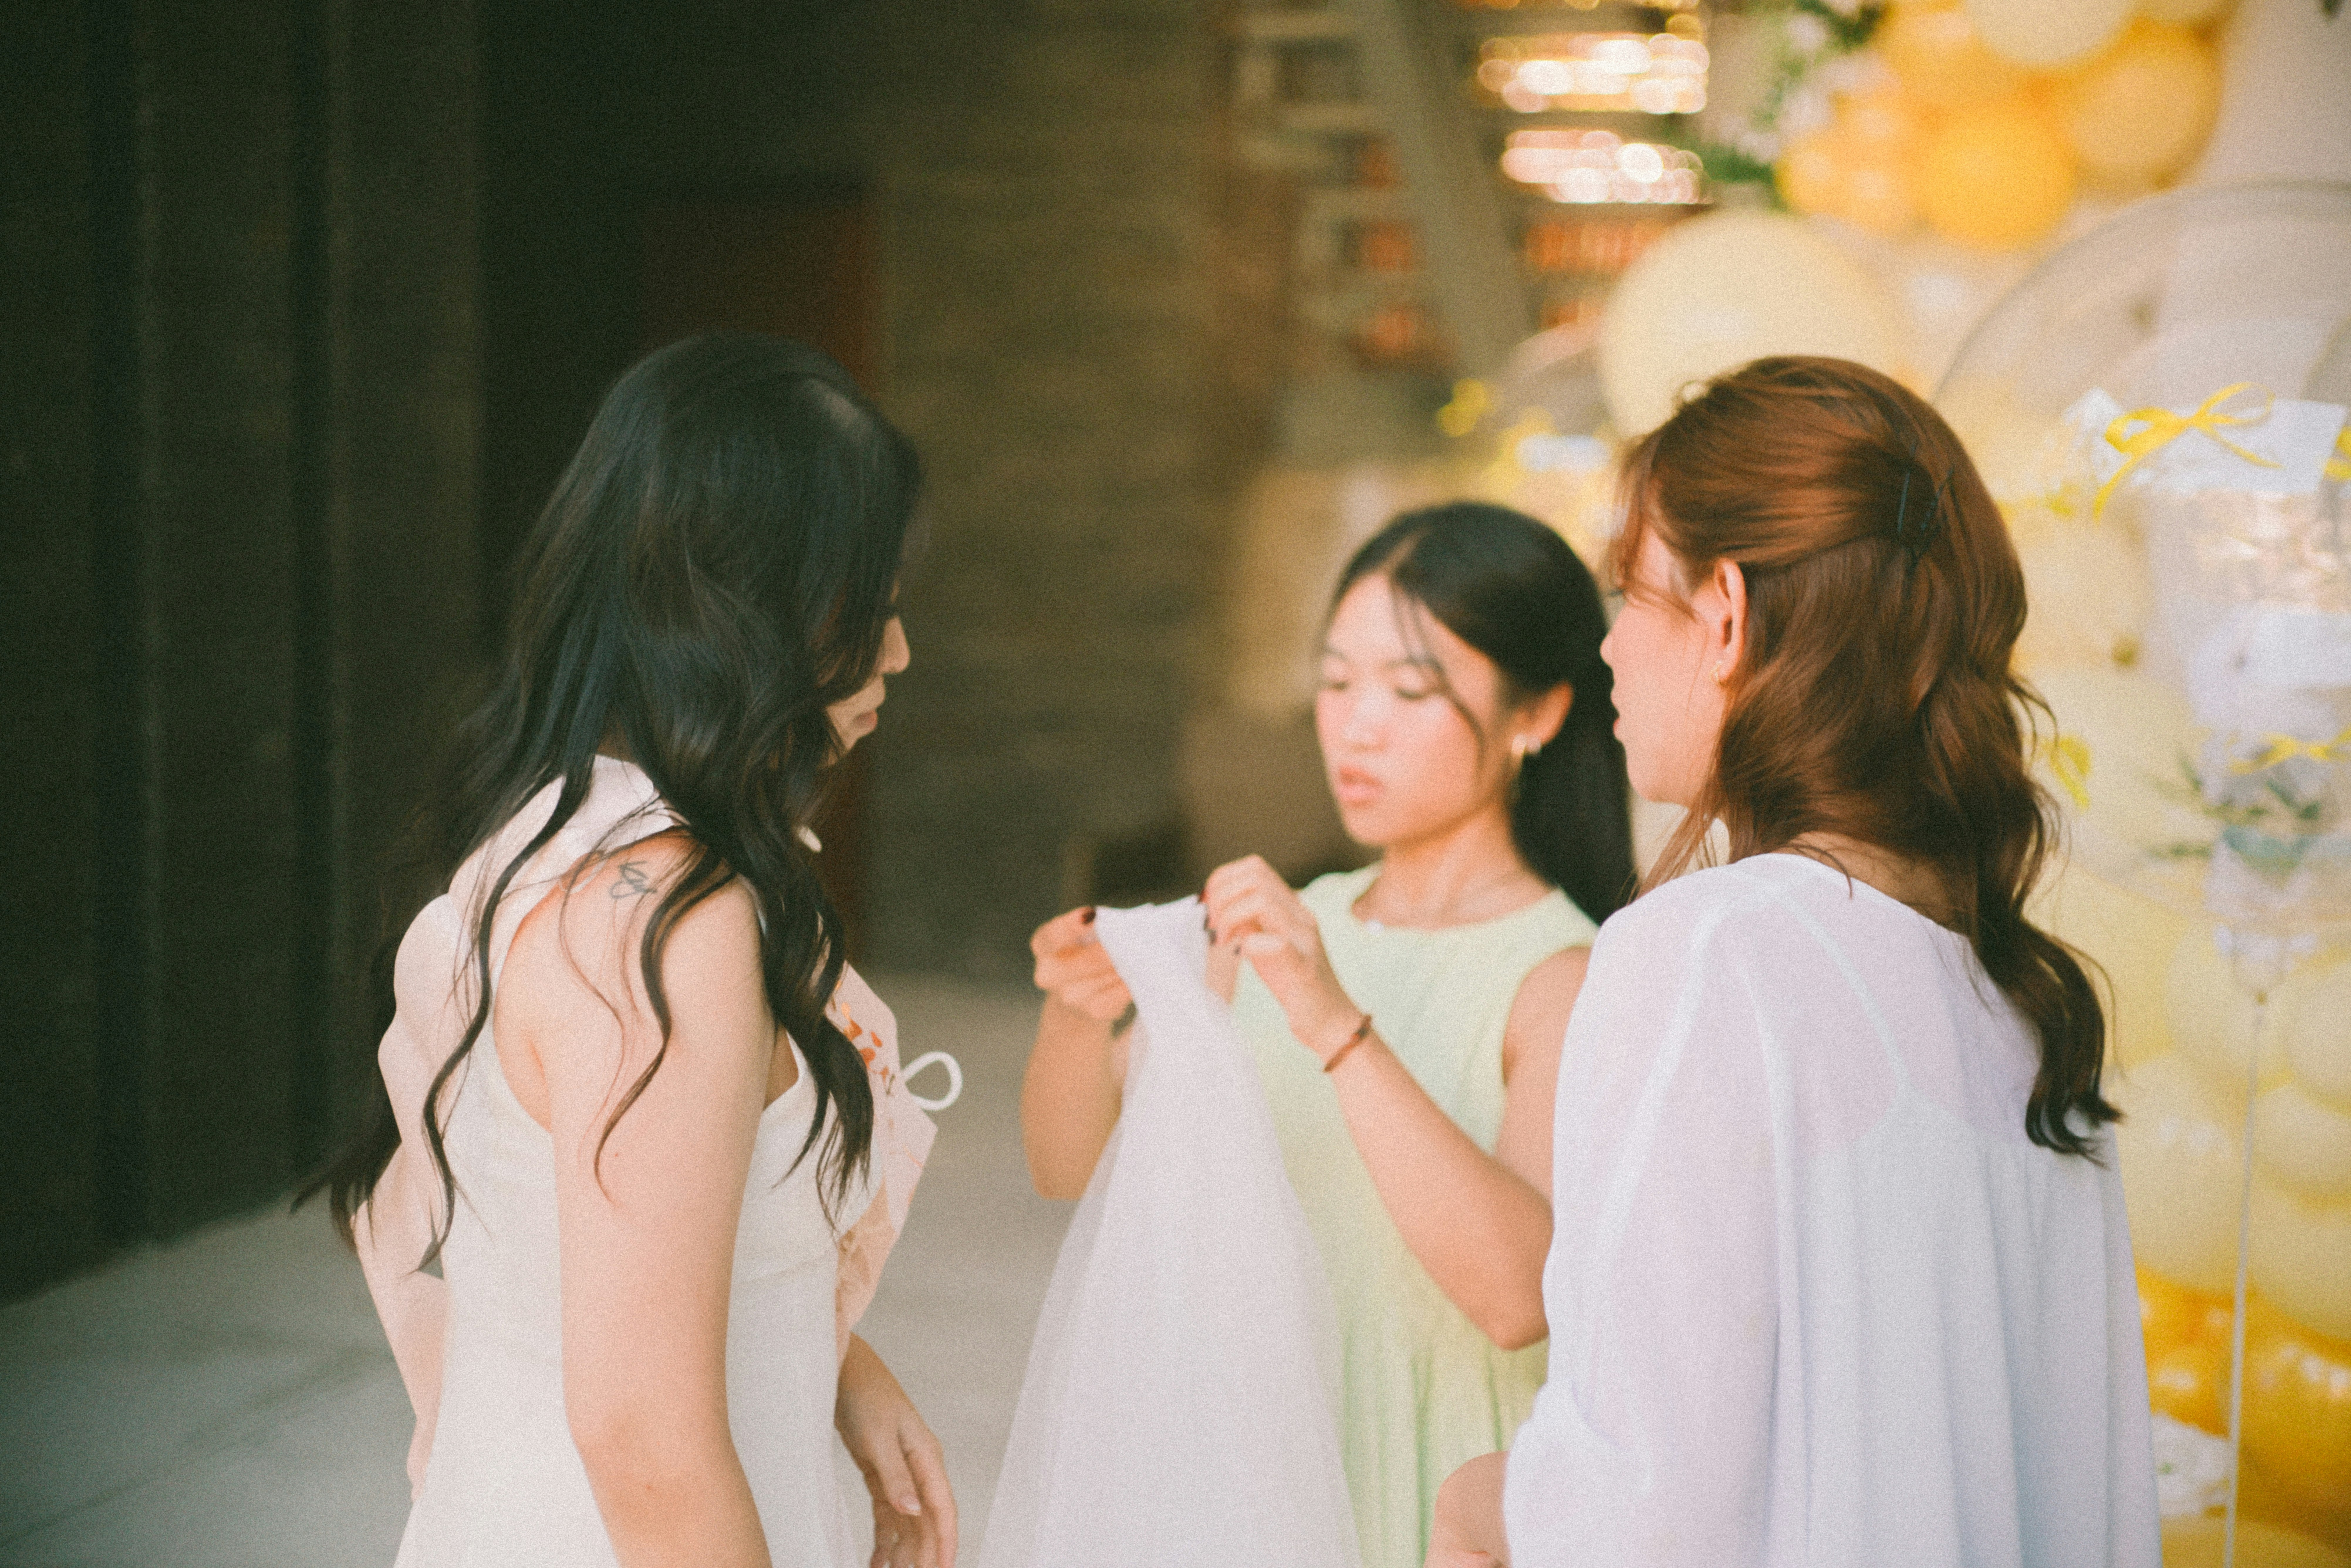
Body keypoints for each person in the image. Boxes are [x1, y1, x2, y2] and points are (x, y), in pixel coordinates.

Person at [1429, 357, 2159, 1566]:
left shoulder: (1712, 951)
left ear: (1722, 613)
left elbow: (1644, 1512)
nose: (1606, 651)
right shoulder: (2027, 1008)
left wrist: (1474, 1505)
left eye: (1628, 593)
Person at [308, 334, 957, 1568]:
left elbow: (594, 1264)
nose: (898, 650)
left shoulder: (575, 841)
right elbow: (643, 1441)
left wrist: (836, 1362)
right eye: (869, 602)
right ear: (752, 599)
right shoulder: (663, 926)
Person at [1023, 503, 1638, 1568]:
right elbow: (1066, 1166)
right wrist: (1078, 1010)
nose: (1356, 727)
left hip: (1436, 1478)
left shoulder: (1564, 976)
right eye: (1336, 681)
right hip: (1258, 1464)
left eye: (1408, 691)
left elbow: (1513, 1298)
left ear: (1537, 711)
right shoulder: (1287, 929)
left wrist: (1336, 1026)